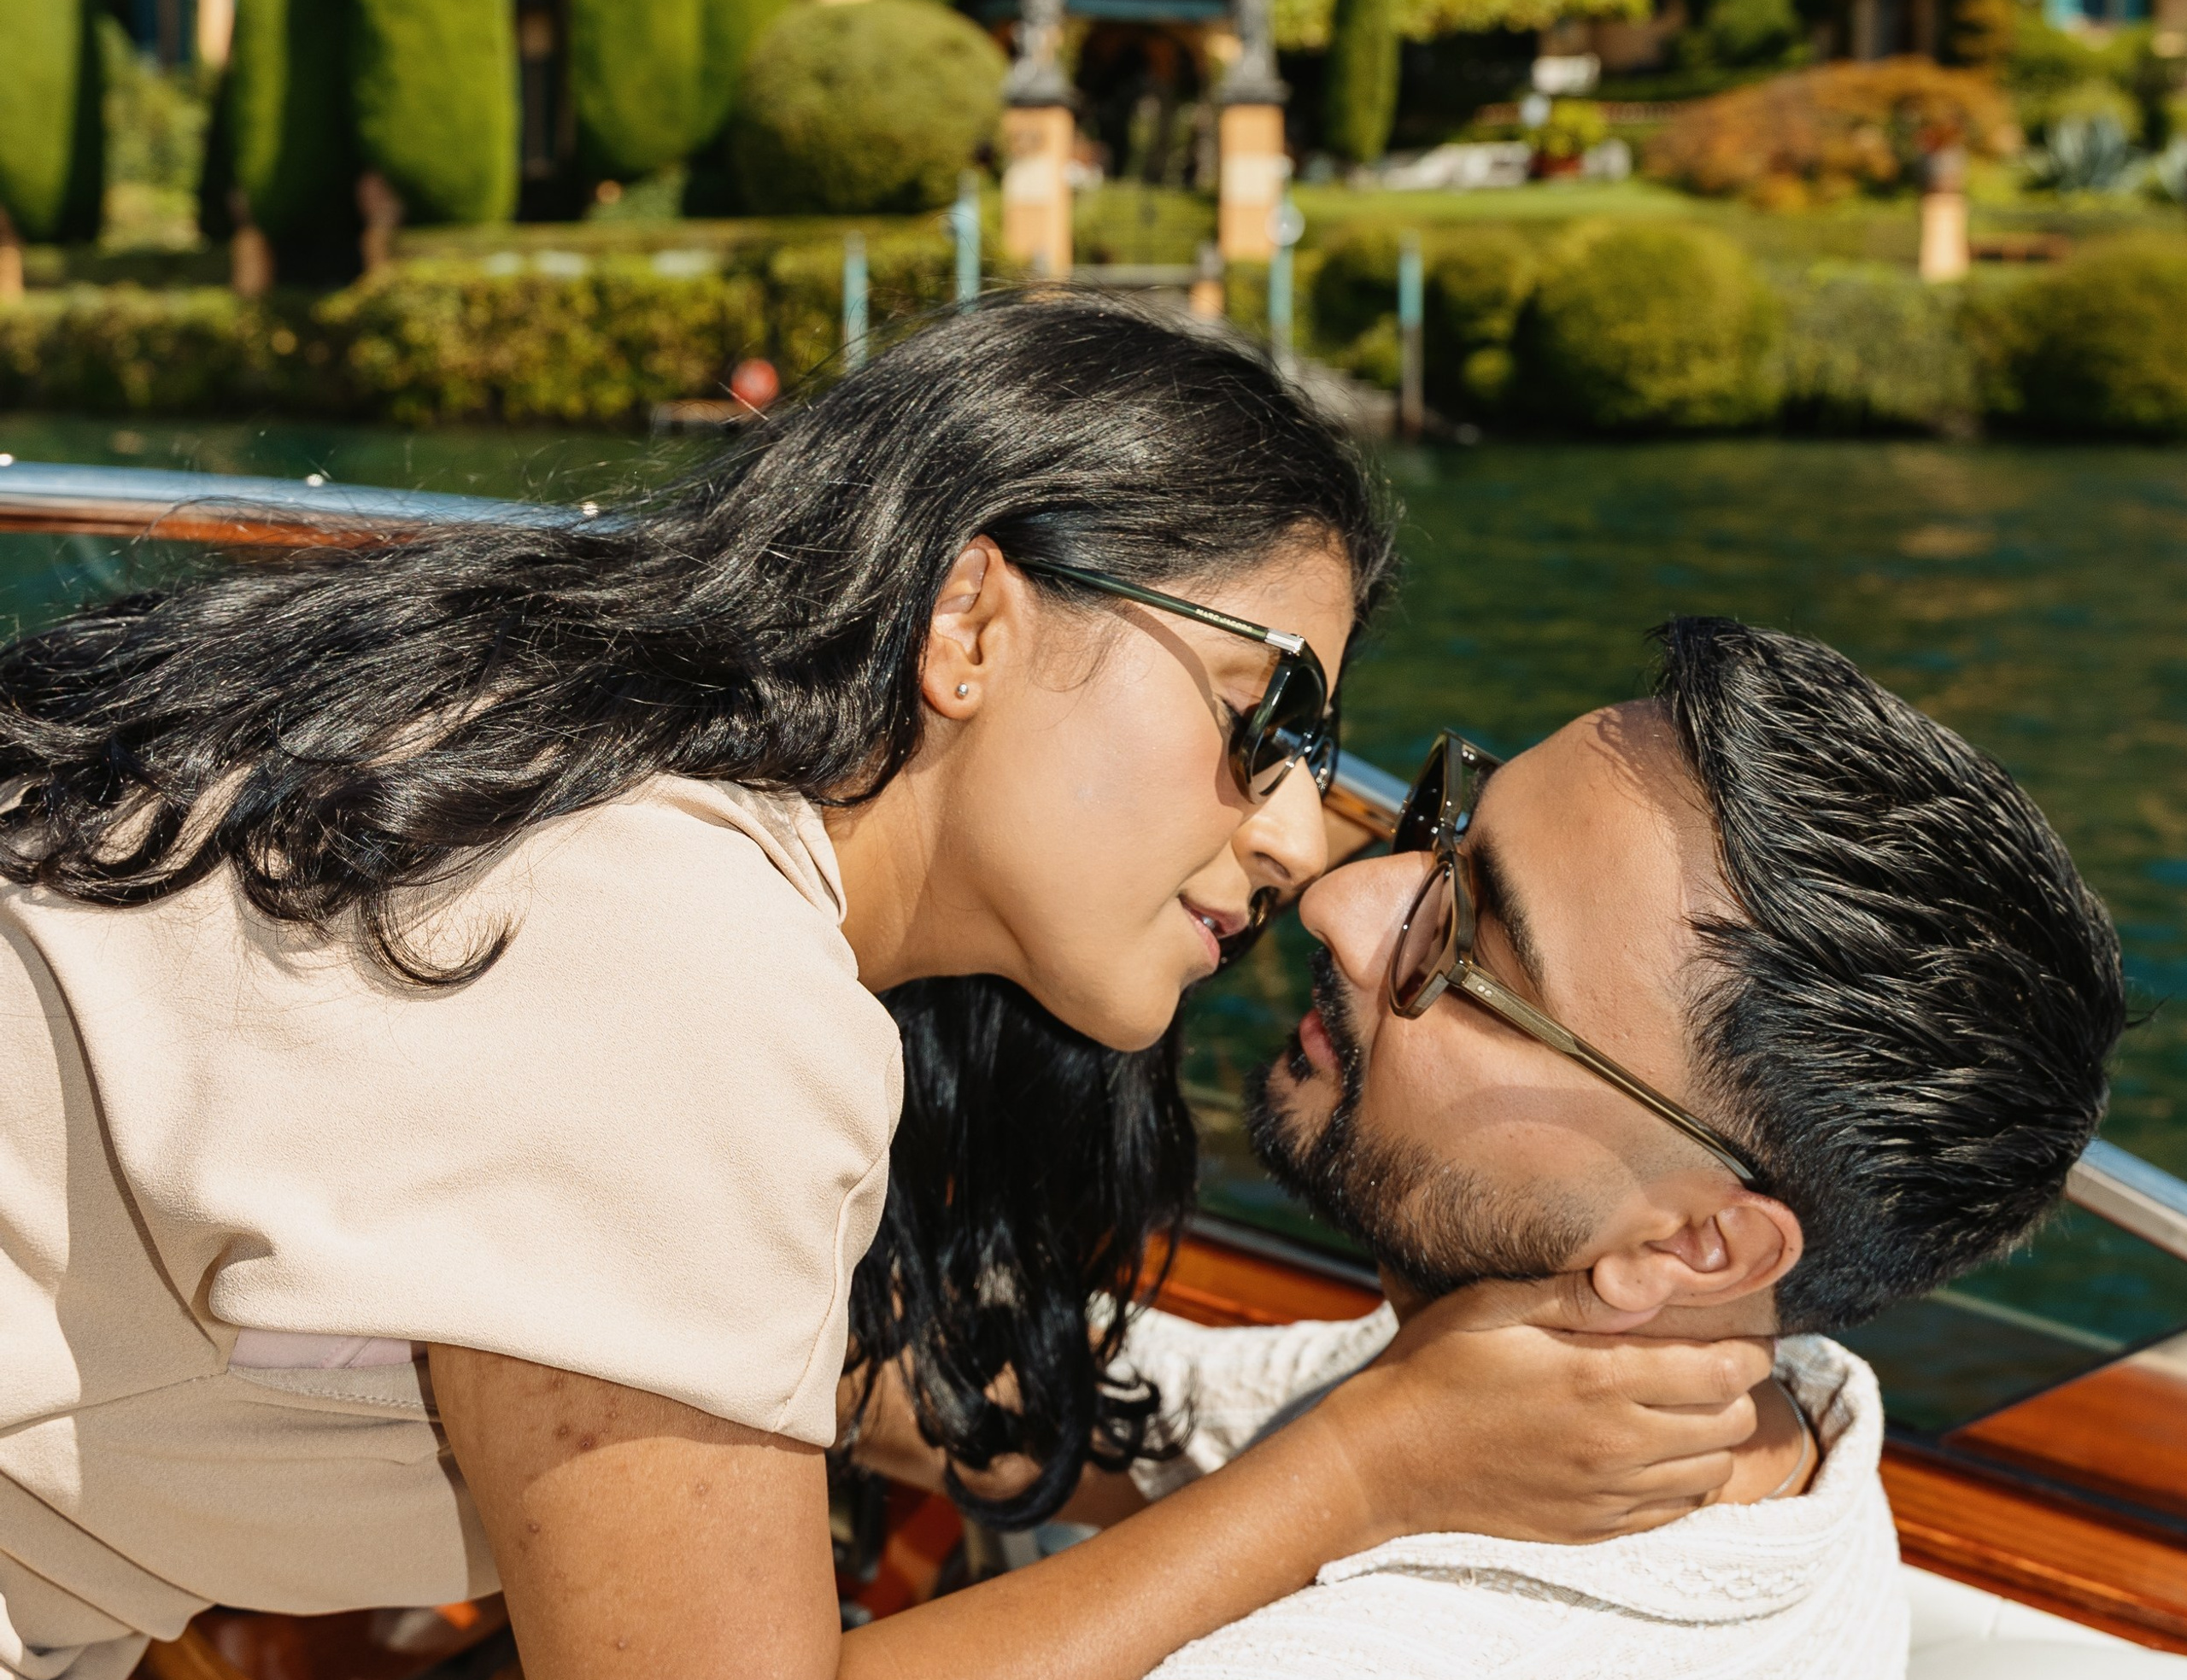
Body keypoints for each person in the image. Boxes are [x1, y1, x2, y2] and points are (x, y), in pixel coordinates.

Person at [0, 296, 1774, 1680]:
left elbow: (836, 1371)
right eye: (1269, 721)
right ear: (971, 620)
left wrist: (1420, 1410)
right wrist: (1360, 1475)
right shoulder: (675, 964)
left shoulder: (601, 801)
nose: (1305, 840)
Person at [1062, 620, 2125, 1677]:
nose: (1338, 901)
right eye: (1443, 838)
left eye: (1468, 949)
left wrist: (1352, 1473)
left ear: (1701, 1244)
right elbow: (1164, 1418)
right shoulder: (1762, 1409)